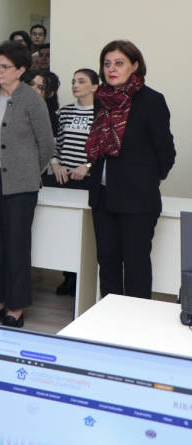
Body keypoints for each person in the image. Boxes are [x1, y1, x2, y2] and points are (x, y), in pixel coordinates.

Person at [0, 41, 54, 328]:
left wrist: (27, 172)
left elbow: (47, 145)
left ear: (20, 70)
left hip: (20, 184)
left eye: (5, 67)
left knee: (16, 246)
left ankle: (15, 308)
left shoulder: (32, 99)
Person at [85, 40, 175, 299]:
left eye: (119, 63)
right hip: (103, 196)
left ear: (135, 66)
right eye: (107, 64)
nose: (111, 69)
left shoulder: (151, 100)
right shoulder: (101, 99)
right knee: (107, 263)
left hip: (137, 199)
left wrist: (147, 181)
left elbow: (166, 152)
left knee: (135, 267)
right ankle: (109, 319)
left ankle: (137, 321)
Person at [47, 68, 99, 296]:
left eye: (81, 81)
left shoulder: (102, 113)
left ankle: (82, 279)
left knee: (85, 232)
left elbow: (104, 149)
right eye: (73, 81)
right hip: (63, 179)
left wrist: (87, 166)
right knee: (63, 231)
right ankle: (68, 277)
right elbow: (56, 145)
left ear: (94, 87)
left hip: (88, 181)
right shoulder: (66, 111)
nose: (75, 85)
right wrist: (56, 164)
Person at [31, 70, 60, 136]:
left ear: (50, 94)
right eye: (31, 84)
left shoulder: (51, 118)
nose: (33, 89)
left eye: (40, 87)